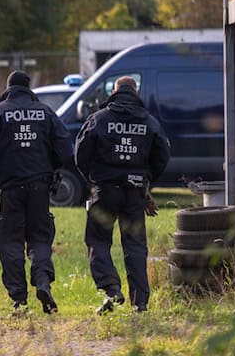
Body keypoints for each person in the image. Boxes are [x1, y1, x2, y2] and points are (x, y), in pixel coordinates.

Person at [0, 70, 74, 315]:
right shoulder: (46, 112)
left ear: (8, 88)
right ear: (29, 87)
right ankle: (42, 280)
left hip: (10, 187)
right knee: (40, 237)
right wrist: (50, 165)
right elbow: (65, 151)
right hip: (40, 186)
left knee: (10, 241)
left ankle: (19, 299)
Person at [75, 76, 170, 314]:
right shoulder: (149, 122)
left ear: (114, 91)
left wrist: (93, 178)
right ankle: (140, 303)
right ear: (135, 92)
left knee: (97, 240)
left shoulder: (99, 119)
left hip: (105, 191)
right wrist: (146, 180)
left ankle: (111, 288)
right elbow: (162, 155)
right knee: (135, 247)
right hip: (134, 193)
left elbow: (80, 153)